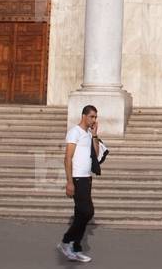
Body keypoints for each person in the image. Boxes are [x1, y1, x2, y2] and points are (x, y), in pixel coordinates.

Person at [57, 105, 103, 263]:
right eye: (92, 117)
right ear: (84, 116)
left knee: (80, 214)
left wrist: (95, 135)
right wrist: (69, 182)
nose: (94, 120)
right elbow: (67, 158)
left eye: (95, 117)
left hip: (87, 178)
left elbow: (96, 155)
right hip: (77, 179)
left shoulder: (89, 134)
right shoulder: (74, 132)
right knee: (87, 212)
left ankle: (75, 248)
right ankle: (66, 241)